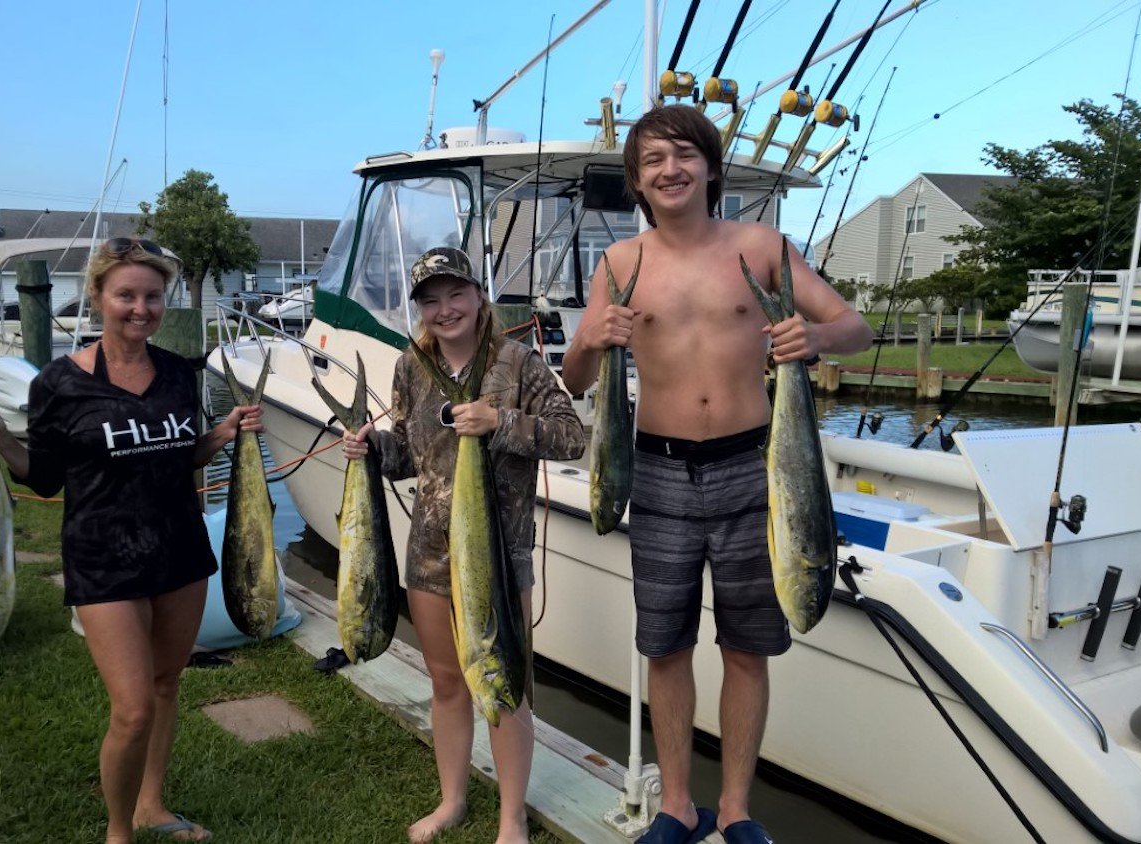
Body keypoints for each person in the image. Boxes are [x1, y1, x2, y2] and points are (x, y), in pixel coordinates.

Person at [561, 105, 873, 844]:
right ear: (637, 182)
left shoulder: (761, 246)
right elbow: (574, 380)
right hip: (657, 471)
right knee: (665, 647)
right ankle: (676, 804)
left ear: (709, 167)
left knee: (747, 647)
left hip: (756, 470)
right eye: (653, 161)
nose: (670, 170)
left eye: (684, 155)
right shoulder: (620, 264)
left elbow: (855, 328)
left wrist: (814, 335)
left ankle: (734, 809)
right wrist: (593, 339)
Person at [0, 237, 263, 843]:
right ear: (98, 295)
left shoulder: (178, 372)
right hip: (103, 559)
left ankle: (152, 805)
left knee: (166, 685)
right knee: (132, 709)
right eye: (126, 295)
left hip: (179, 551)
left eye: (153, 296)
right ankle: (118, 831)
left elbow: (182, 455)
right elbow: (44, 478)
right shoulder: (58, 383)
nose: (141, 309)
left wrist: (224, 433)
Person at [341, 246, 585, 844]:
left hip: (500, 557)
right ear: (420, 310)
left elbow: (572, 438)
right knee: (447, 680)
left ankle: (511, 817)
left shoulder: (520, 363)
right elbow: (408, 453)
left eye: (456, 294)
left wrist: (501, 422)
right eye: (431, 300)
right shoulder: (410, 367)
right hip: (429, 553)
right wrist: (370, 449)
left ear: (479, 297)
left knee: (504, 684)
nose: (445, 309)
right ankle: (451, 801)